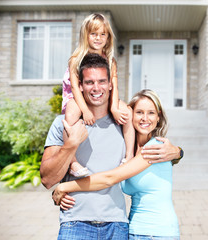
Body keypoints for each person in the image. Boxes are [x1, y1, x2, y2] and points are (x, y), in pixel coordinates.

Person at [40, 53, 183, 240]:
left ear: (110, 85)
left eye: (102, 81)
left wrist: (178, 152)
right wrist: (71, 144)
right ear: (80, 86)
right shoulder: (64, 124)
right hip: (76, 223)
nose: (96, 87)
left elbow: (114, 174)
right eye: (90, 82)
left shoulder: (124, 125)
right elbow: (47, 180)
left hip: (118, 227)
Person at [62, 13, 135, 177]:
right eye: (93, 34)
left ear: (108, 37)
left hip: (103, 97)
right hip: (78, 97)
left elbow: (114, 86)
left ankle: (129, 155)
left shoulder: (110, 59)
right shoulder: (76, 58)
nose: (98, 38)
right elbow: (74, 87)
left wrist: (115, 108)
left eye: (103, 34)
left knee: (128, 112)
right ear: (85, 35)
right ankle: (72, 162)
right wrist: (85, 110)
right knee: (71, 114)